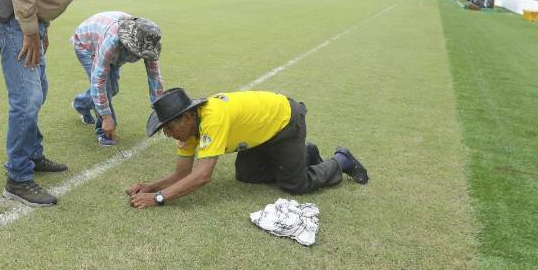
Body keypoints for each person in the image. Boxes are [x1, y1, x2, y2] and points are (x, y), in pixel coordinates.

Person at [0, 0, 144, 207]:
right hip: (14, 19)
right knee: (27, 98)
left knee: (39, 89)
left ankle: (31, 155)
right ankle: (17, 178)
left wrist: (40, 26)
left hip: (30, 20)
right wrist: (30, 29)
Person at [127, 88, 368, 208]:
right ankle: (306, 154)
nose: (167, 133)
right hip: (258, 135)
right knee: (246, 175)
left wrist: (158, 198)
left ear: (188, 116)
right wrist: (150, 186)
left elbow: (202, 176)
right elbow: (181, 174)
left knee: (296, 185)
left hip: (284, 123)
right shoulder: (189, 129)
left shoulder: (213, 118)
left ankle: (340, 161)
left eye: (168, 127)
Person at [71, 12, 164, 146]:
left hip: (105, 39)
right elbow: (98, 81)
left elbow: (154, 77)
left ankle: (80, 104)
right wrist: (107, 117)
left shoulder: (149, 41)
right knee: (106, 87)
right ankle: (103, 132)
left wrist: (159, 108)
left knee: (113, 88)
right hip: (86, 44)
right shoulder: (112, 41)